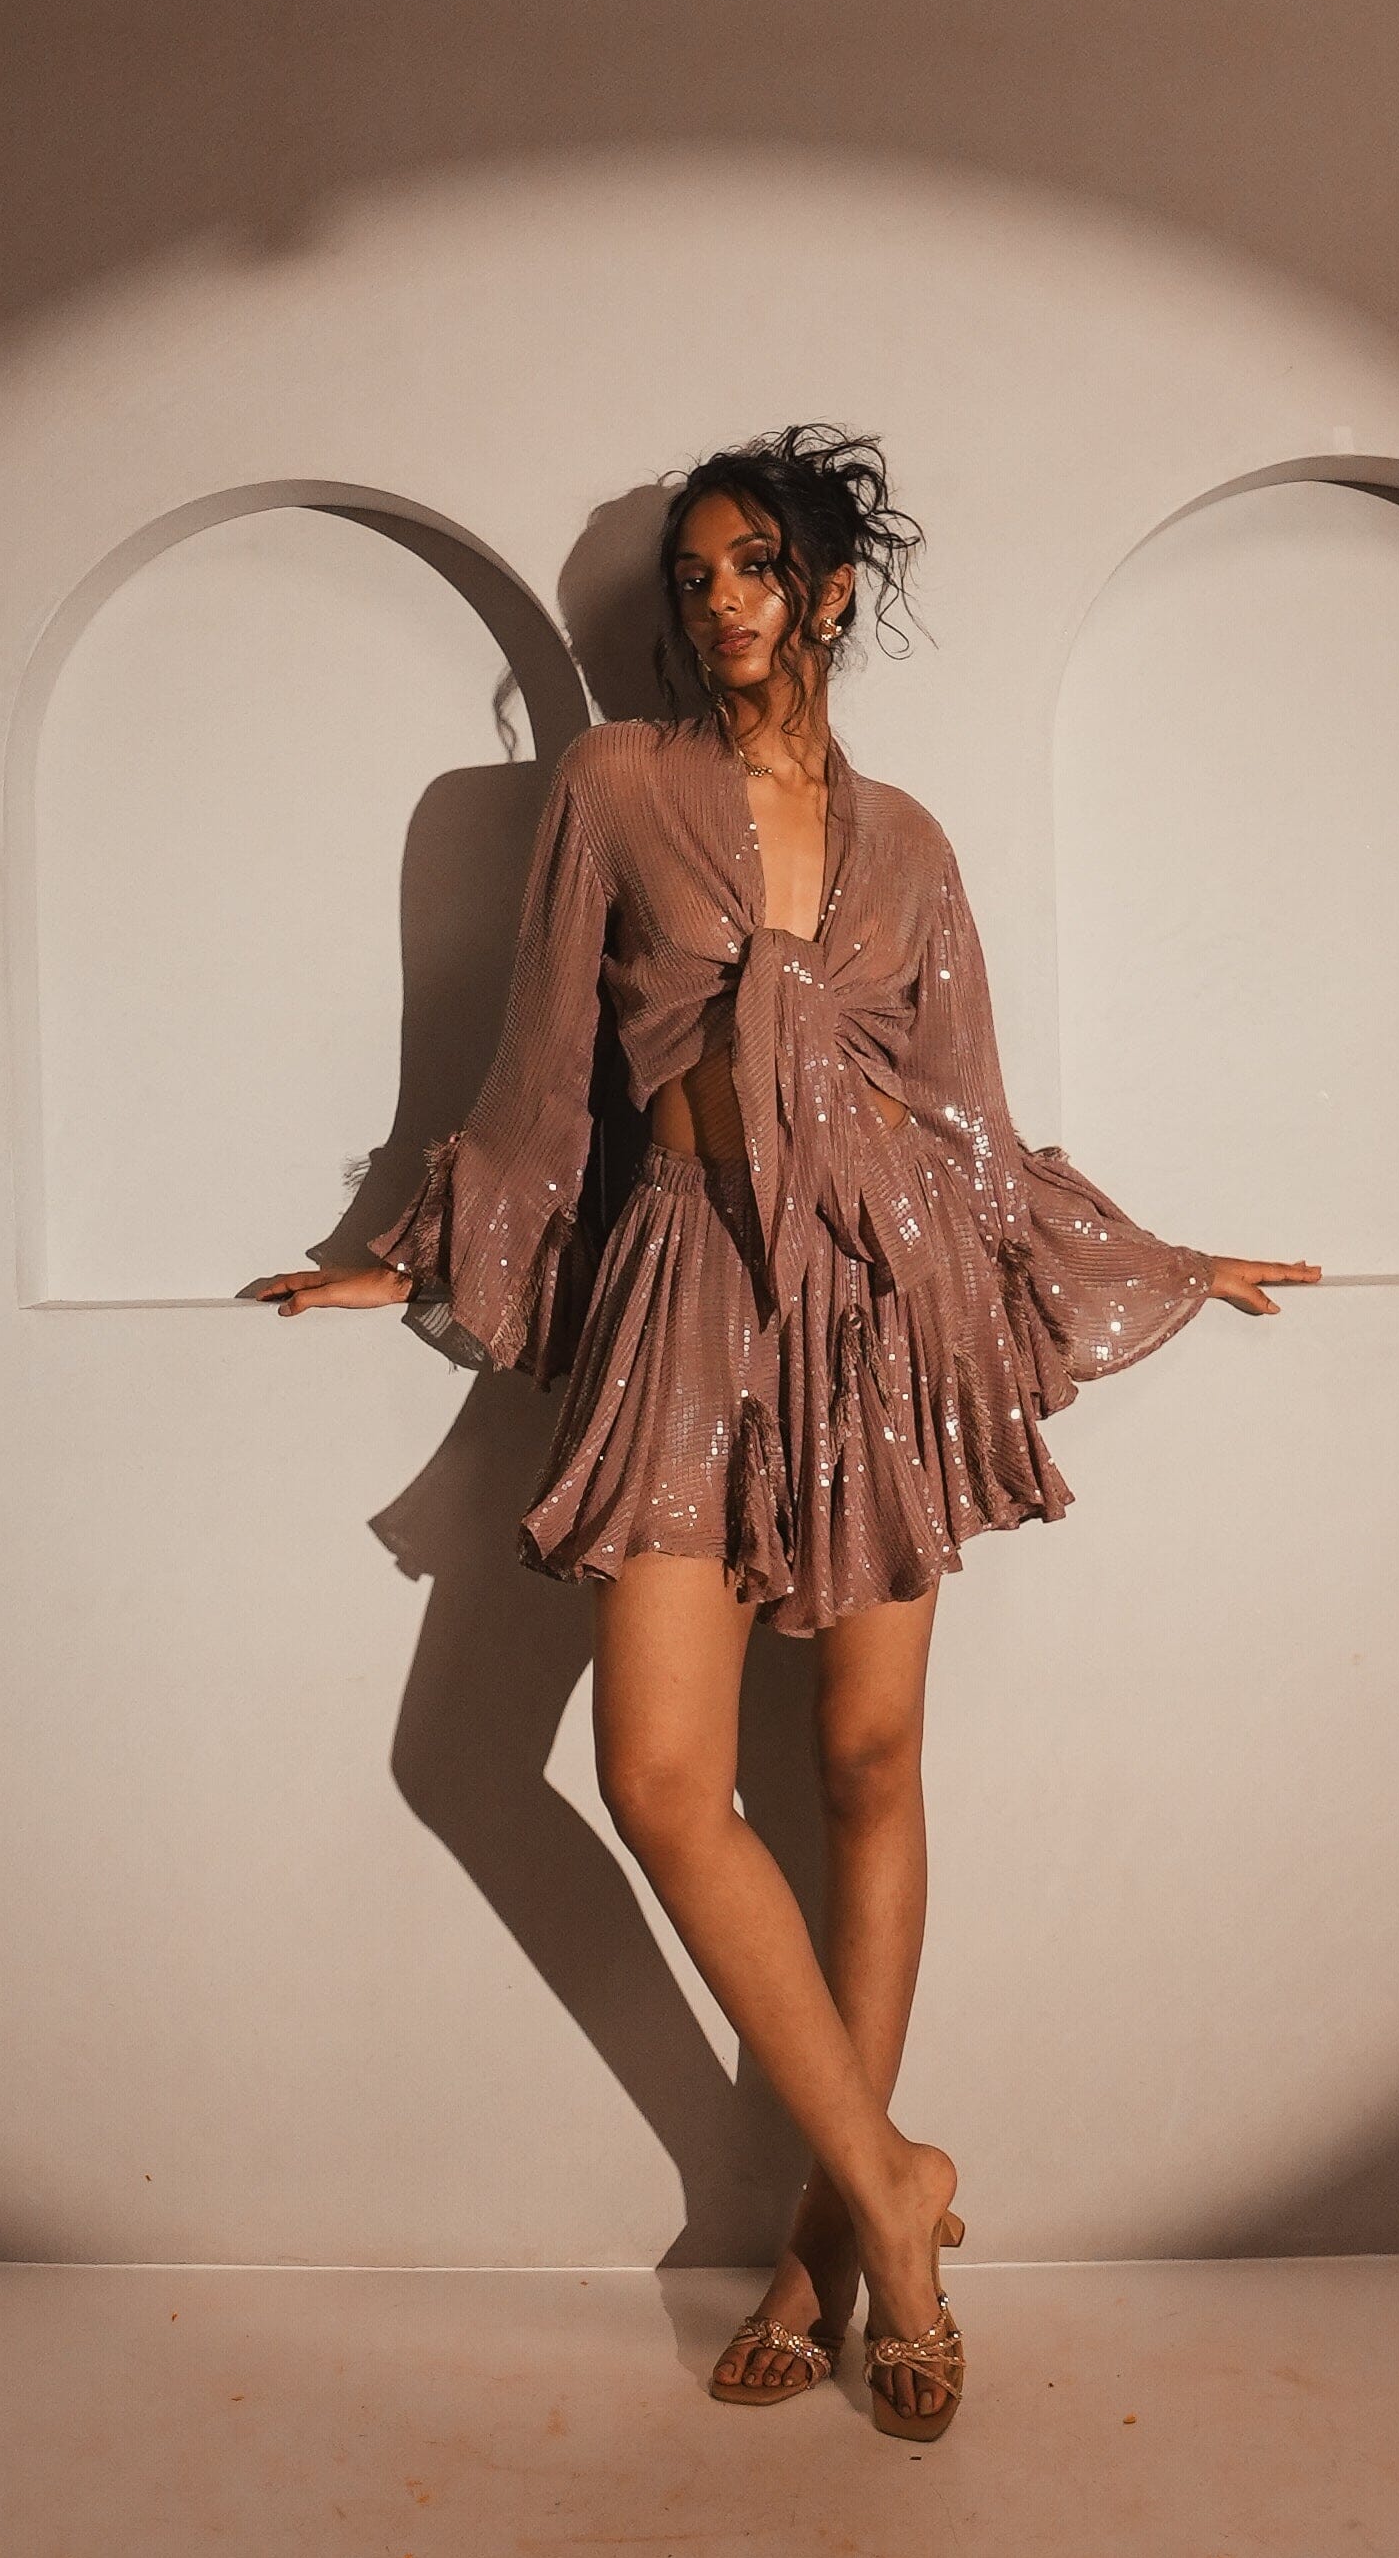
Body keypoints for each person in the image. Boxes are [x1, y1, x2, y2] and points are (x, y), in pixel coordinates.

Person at [260, 428, 1316, 2438]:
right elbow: (540, 1071)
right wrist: (406, 1254)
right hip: (684, 1285)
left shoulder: (911, 842)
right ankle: (899, 2185)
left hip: (887, 1309)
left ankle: (832, 2252)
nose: (722, 602)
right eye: (696, 576)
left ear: (830, 590)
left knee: (866, 1762)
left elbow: (974, 1128)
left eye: (757, 567)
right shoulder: (613, 788)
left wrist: (1164, 1259)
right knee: (660, 1774)